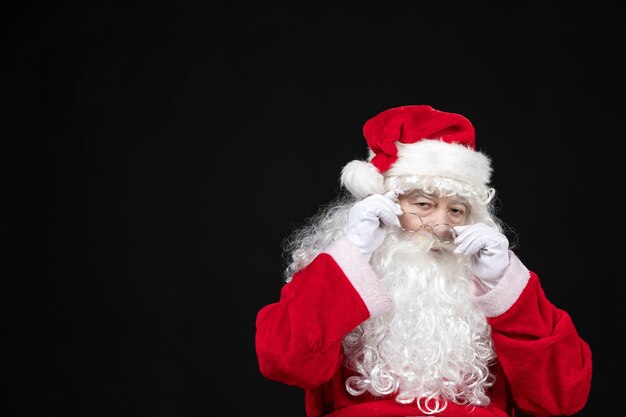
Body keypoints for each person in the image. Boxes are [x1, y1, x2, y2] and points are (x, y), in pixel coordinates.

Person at [255, 105, 592, 417]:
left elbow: (563, 397)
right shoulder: (336, 275)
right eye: (423, 204)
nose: (441, 226)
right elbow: (284, 362)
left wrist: (505, 290)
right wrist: (354, 251)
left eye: (456, 211)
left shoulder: (491, 283)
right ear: (384, 203)